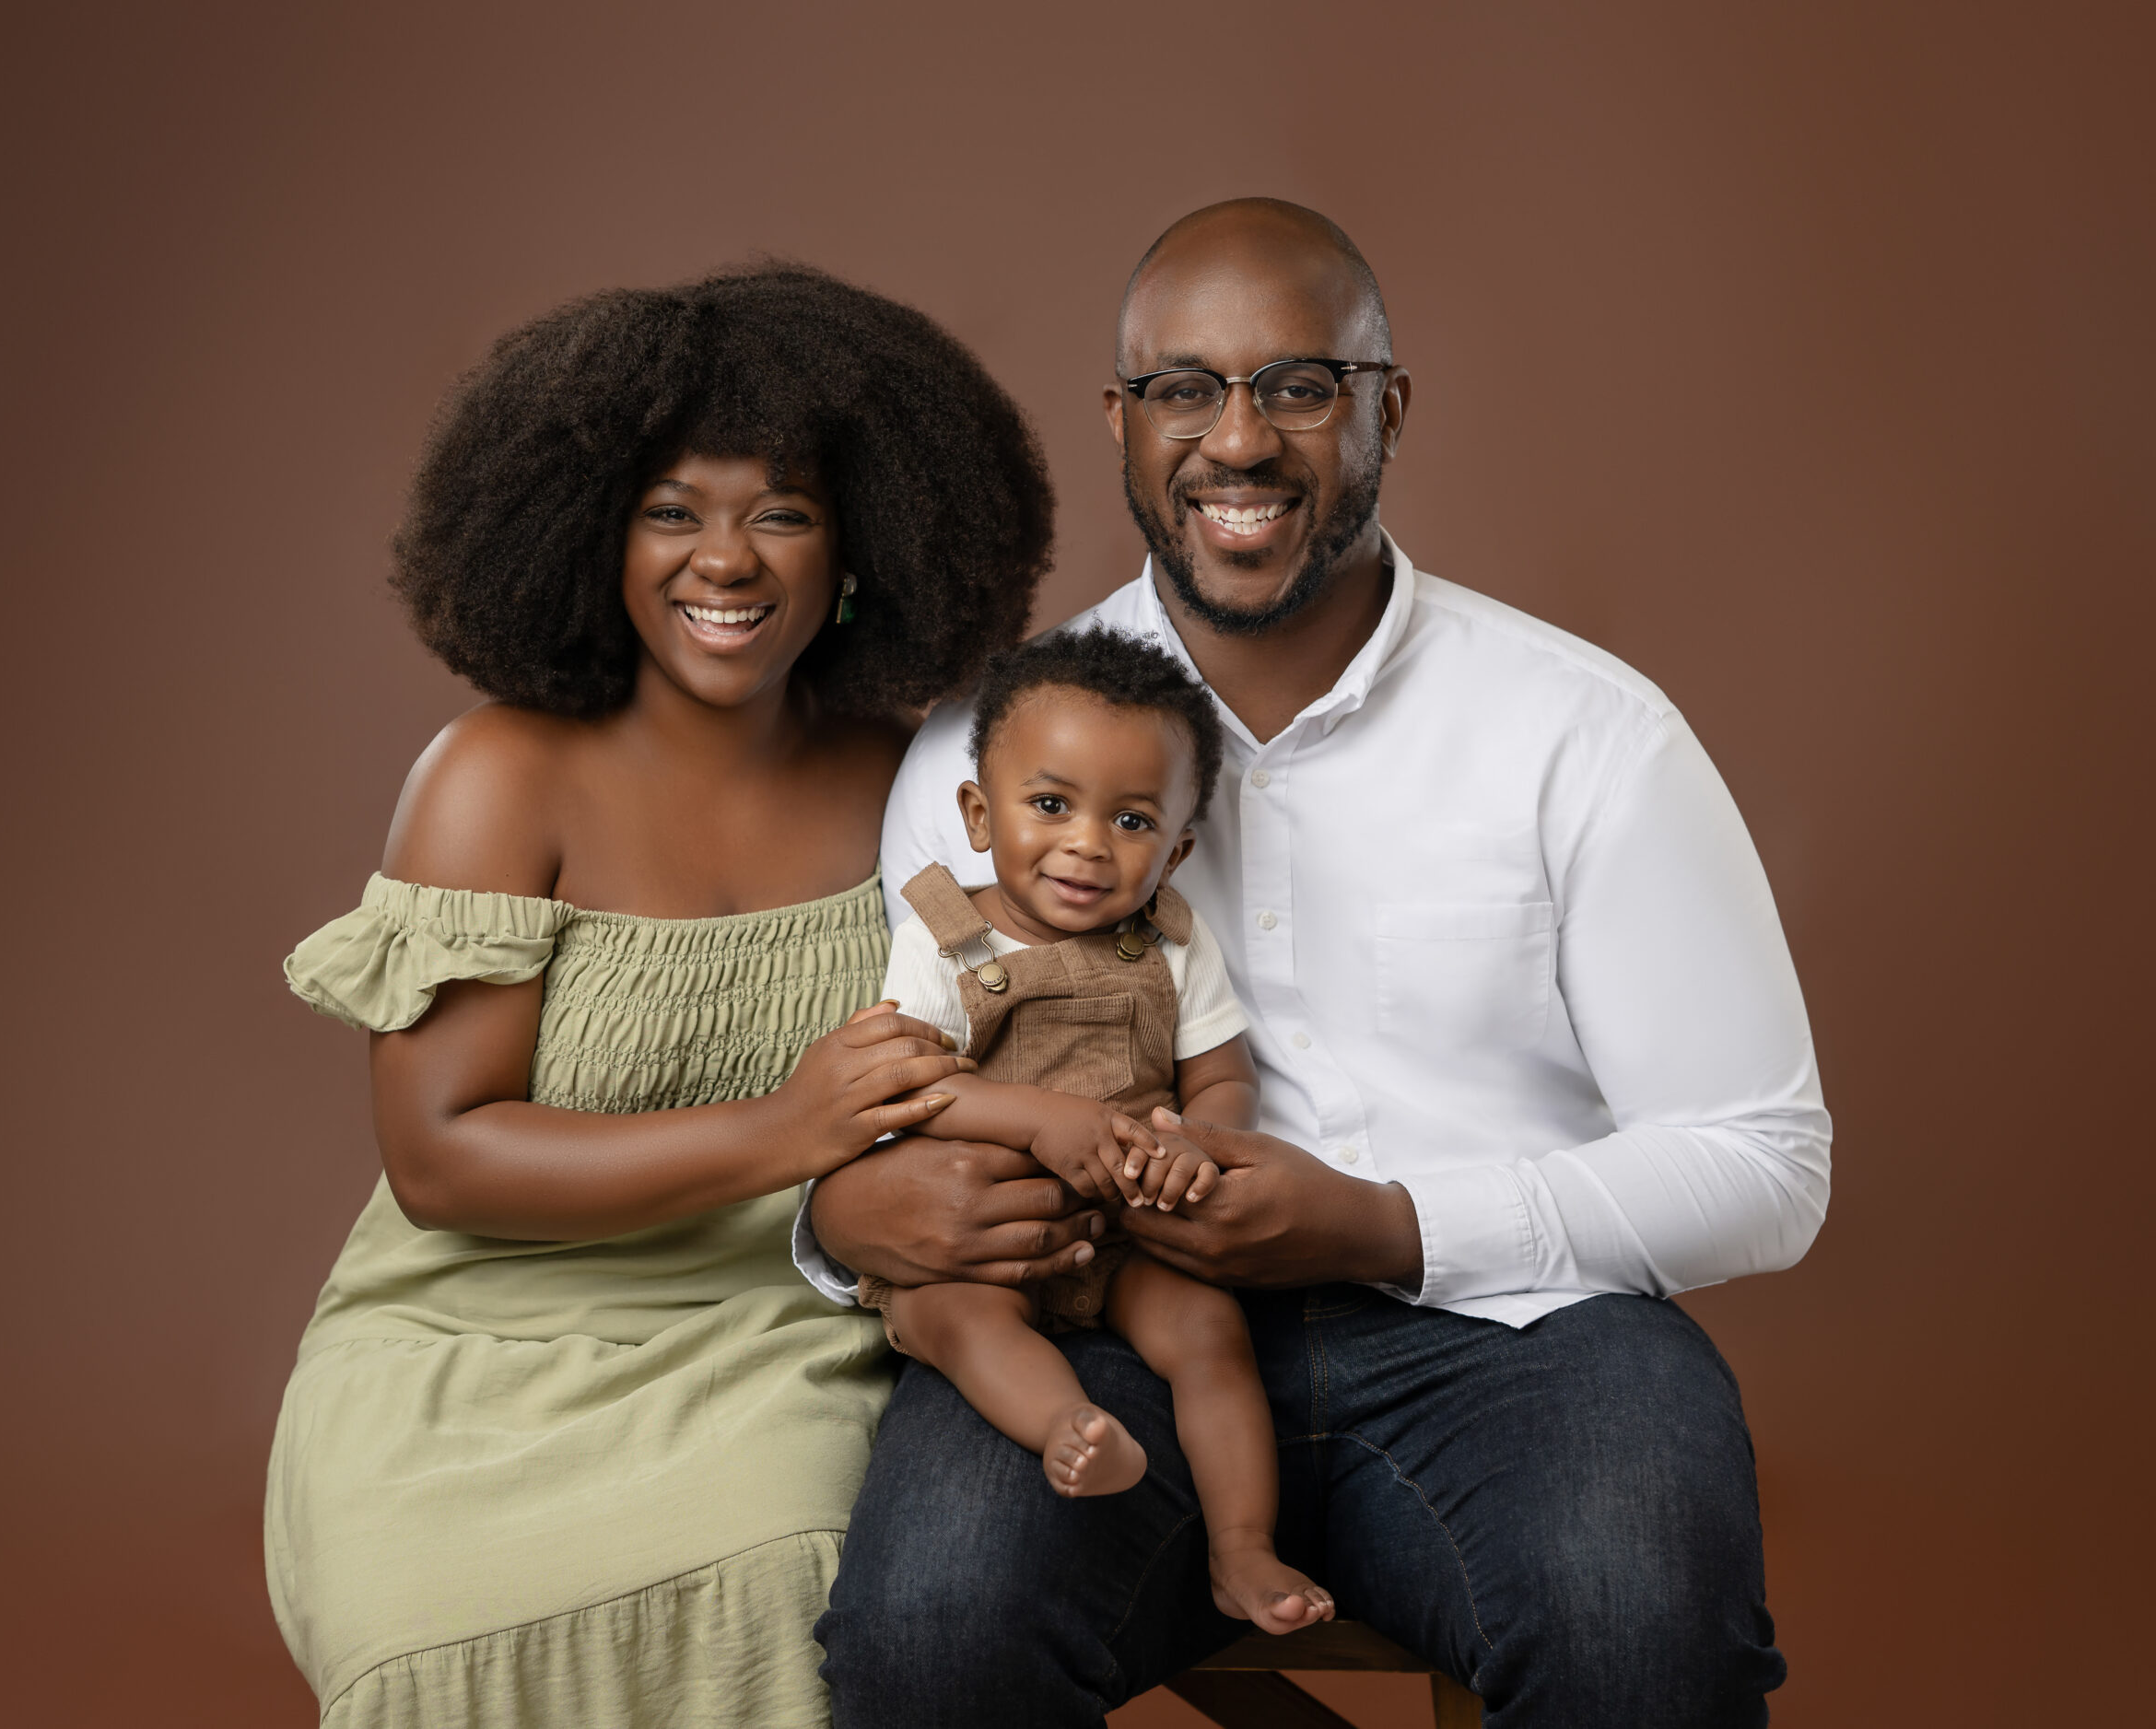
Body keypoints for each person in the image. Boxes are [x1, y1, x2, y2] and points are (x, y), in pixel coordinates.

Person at [803, 200, 1832, 1727]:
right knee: (934, 1631)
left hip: (1519, 1335)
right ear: (1120, 419)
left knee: (1640, 1628)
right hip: (1104, 1318)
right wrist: (842, 1221)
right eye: (1184, 389)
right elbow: (895, 1101)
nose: (1238, 440)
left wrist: (1386, 1224)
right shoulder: (985, 749)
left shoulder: (1587, 733)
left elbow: (1764, 1163)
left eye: (1299, 385)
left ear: (1387, 408)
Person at [267, 263, 1050, 1728]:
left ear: (865, 541)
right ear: (595, 536)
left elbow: (1006, 1019)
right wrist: (787, 1129)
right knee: (419, 1627)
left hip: (784, 1326)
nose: (727, 560)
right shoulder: (496, 777)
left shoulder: (912, 784)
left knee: (795, 1563)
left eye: (784, 512)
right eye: (673, 511)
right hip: (469, 1339)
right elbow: (440, 1159)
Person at [862, 625, 1336, 1636]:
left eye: (1130, 820)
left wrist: (1197, 1142)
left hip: (1124, 1231)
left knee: (1210, 1332)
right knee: (960, 1321)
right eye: (1050, 805)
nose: (1087, 843)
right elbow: (909, 1086)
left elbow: (1223, 1075)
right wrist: (1042, 1118)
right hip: (976, 1242)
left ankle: (1242, 1546)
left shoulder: (1170, 942)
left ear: (1177, 849)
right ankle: (1069, 1426)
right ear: (979, 814)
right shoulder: (942, 939)